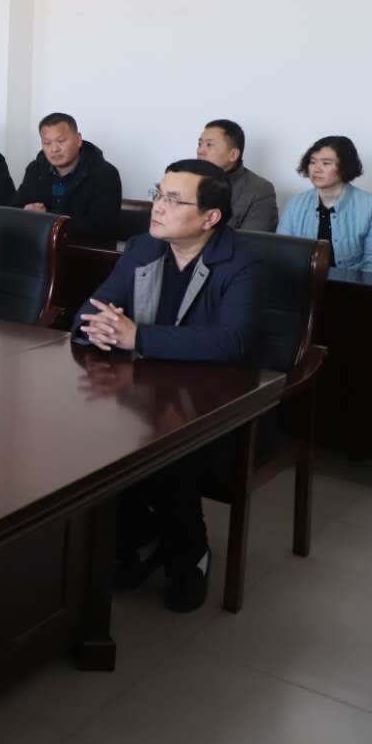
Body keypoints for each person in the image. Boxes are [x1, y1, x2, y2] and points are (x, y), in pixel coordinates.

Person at [75, 159, 263, 613]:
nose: (158, 207)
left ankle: (189, 552)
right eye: (159, 194)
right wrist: (97, 328)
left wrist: (138, 337)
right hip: (142, 386)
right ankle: (135, 537)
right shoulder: (144, 247)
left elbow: (233, 341)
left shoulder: (241, 262)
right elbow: (91, 310)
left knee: (166, 446)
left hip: (216, 398)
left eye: (174, 201)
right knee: (82, 432)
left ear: (210, 217)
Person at [275, 135, 372, 272]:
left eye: (326, 163)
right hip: (303, 281)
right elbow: (282, 254)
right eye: (312, 162)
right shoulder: (295, 203)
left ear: (344, 167)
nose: (316, 169)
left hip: (356, 283)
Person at [13, 112, 123, 239]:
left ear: (78, 140)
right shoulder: (35, 169)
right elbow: (14, 208)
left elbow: (103, 228)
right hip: (39, 244)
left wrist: (47, 218)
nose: (54, 149)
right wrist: (25, 211)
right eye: (47, 143)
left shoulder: (105, 174)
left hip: (83, 248)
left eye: (61, 141)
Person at [196, 119, 277, 232]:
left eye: (209, 145)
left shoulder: (259, 191)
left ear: (233, 155)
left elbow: (252, 241)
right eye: (200, 144)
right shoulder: (187, 180)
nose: (200, 151)